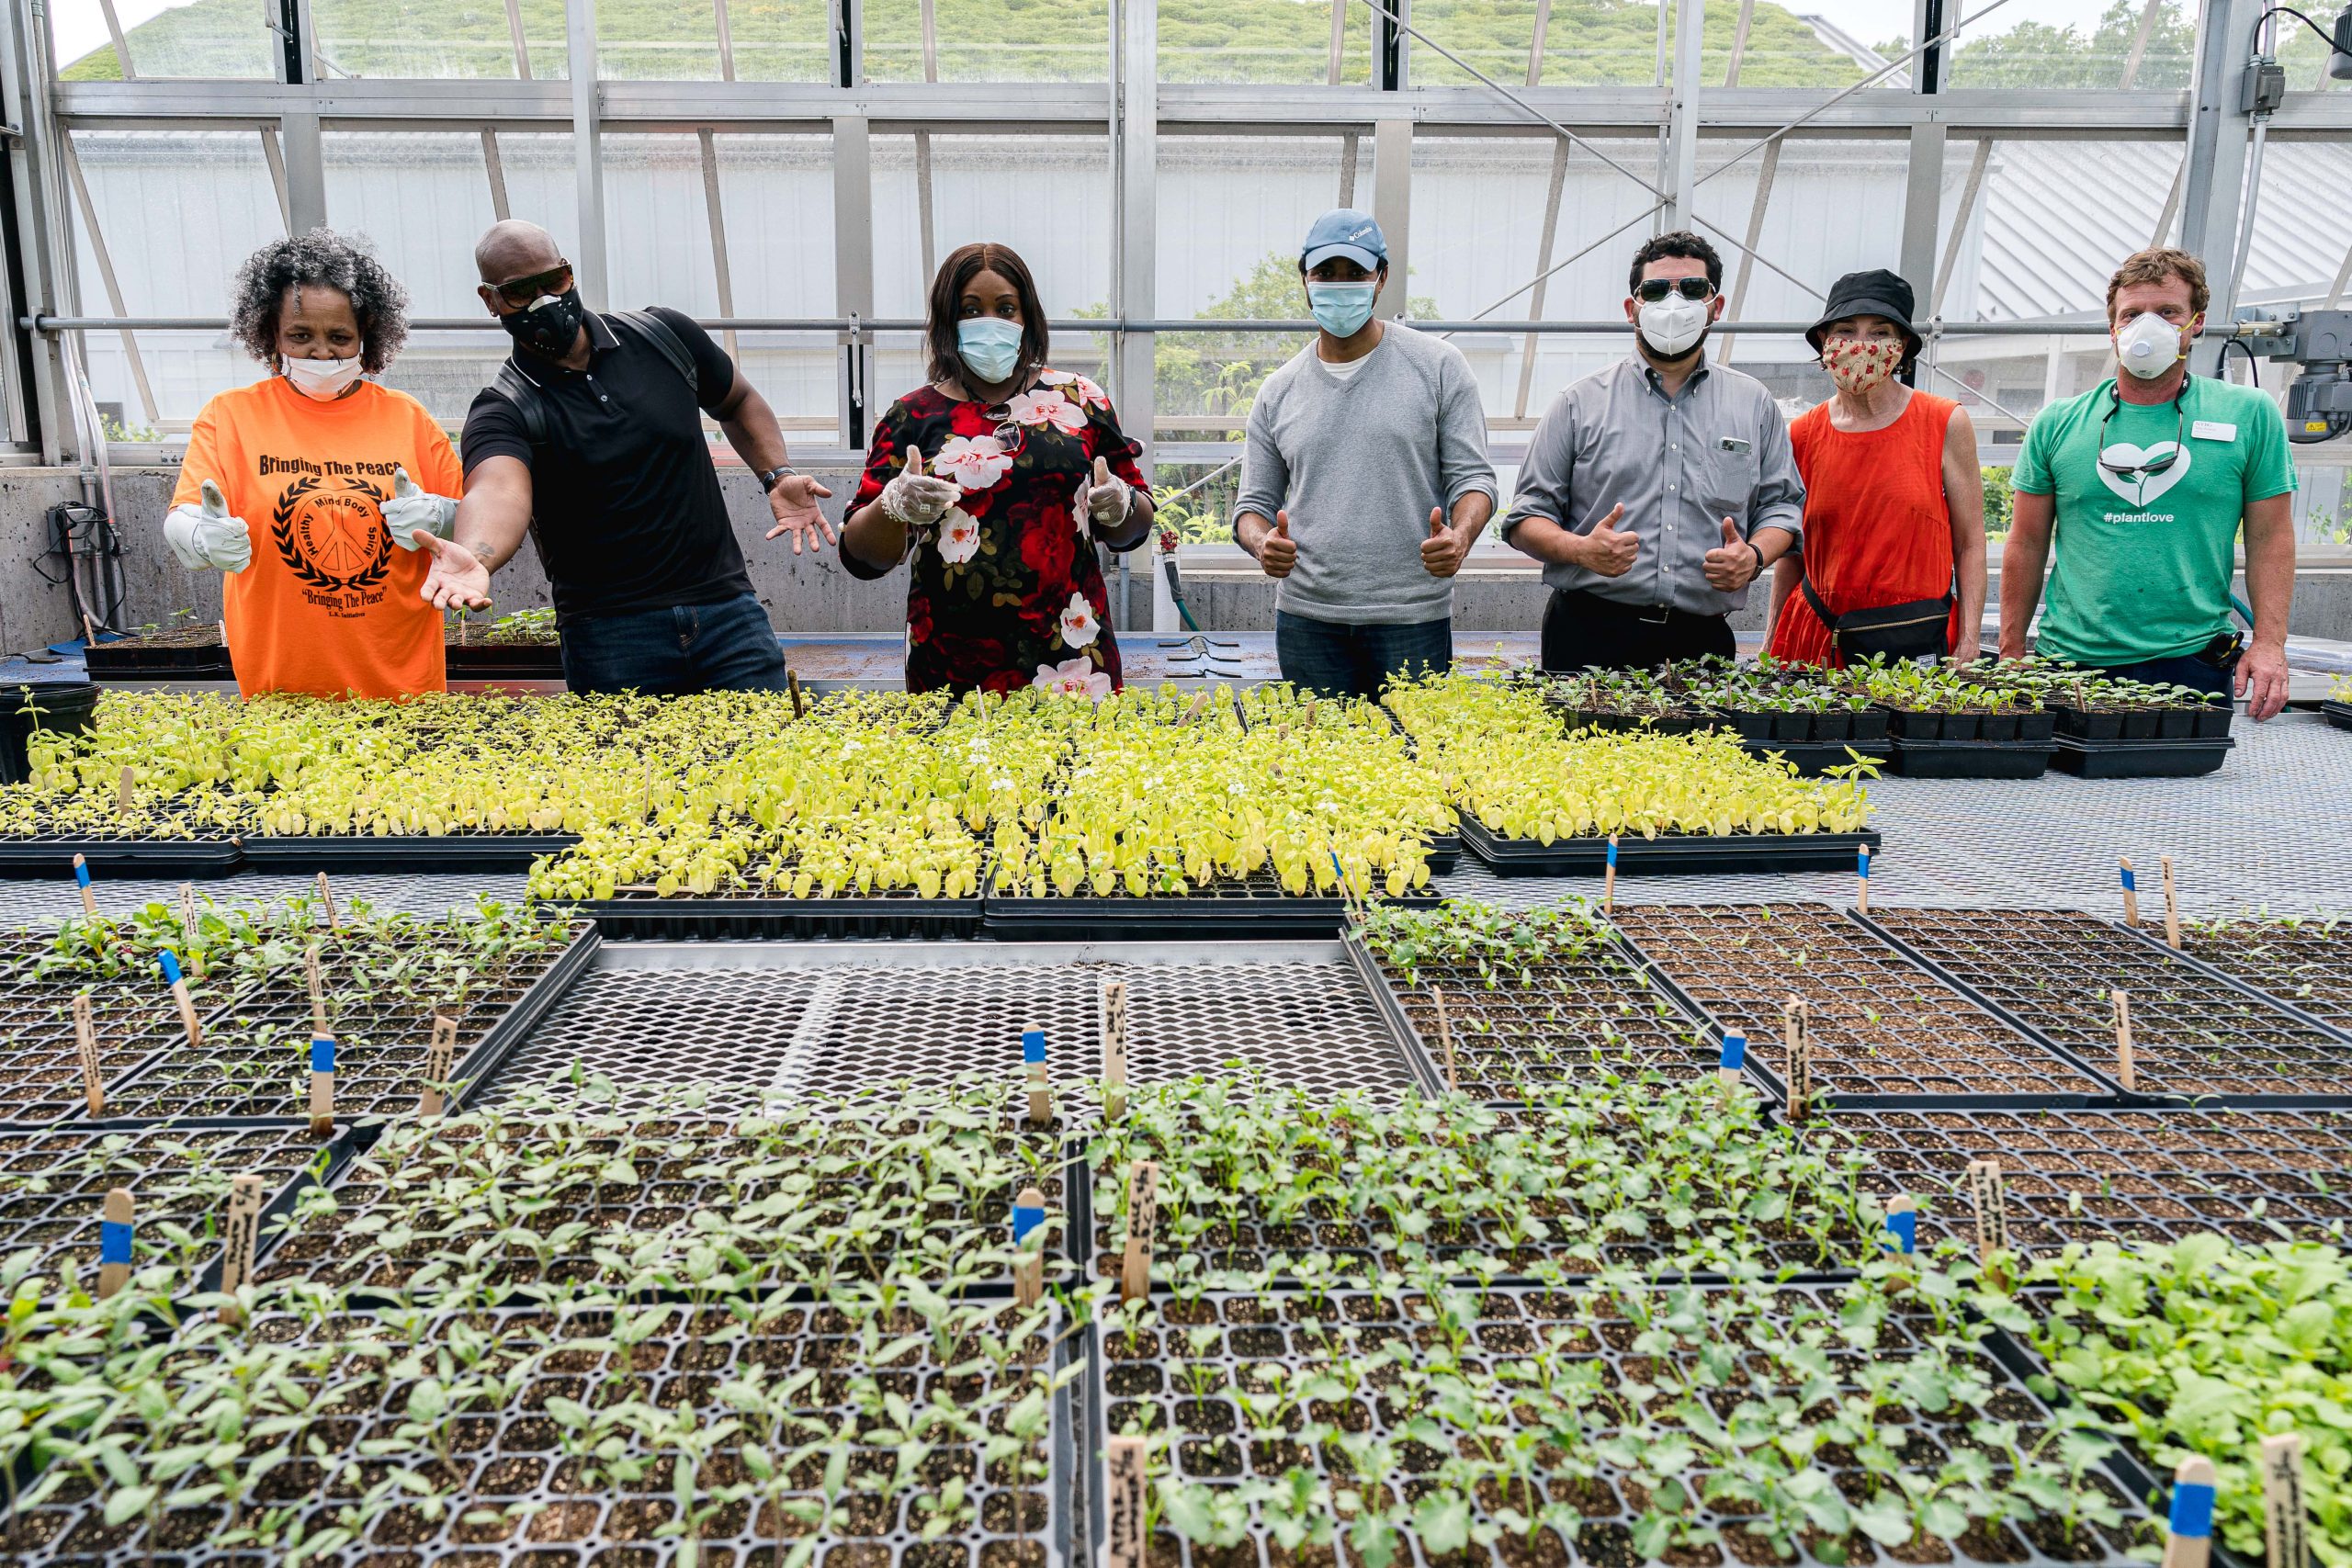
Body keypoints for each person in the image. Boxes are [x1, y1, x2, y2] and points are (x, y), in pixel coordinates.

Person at [419, 220, 831, 695]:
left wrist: (776, 474)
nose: (545, 301)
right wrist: (476, 557)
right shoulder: (505, 407)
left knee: (766, 763)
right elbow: (499, 489)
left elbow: (736, 400)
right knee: (634, 772)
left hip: (727, 615)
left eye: (554, 281)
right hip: (610, 637)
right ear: (490, 300)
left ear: (569, 271)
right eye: (520, 292)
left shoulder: (662, 337)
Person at [839, 243, 1153, 695]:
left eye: (1006, 308)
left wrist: (1121, 505)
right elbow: (861, 558)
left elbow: (1134, 533)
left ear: (1028, 318)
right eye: (971, 309)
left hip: (1073, 660)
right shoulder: (912, 417)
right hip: (951, 667)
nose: (992, 322)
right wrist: (893, 506)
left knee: (1075, 767)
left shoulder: (1081, 401)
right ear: (948, 319)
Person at [164, 229, 461, 701]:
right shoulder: (231, 416)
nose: (321, 352)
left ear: (368, 335)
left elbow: (470, 518)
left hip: (404, 688)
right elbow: (183, 515)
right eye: (300, 336)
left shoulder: (407, 417)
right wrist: (199, 535)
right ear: (270, 334)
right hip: (280, 688)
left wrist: (441, 515)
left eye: (340, 337)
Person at [1999, 247, 2294, 719]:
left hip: (2192, 660)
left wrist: (2270, 643)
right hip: (2070, 662)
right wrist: (2011, 651)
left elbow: (2271, 537)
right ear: (2112, 327)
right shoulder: (2058, 423)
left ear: (2196, 322)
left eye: (2167, 312)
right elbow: (2026, 541)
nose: (2147, 326)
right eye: (2132, 314)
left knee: (2183, 789)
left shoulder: (2249, 414)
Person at [1501, 231, 1804, 671]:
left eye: (1693, 289)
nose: (1674, 303)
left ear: (1715, 307)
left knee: (1703, 743)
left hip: (1701, 638)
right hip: (1589, 632)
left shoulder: (1752, 403)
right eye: (1657, 290)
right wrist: (1580, 549)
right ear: (1633, 309)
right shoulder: (1579, 402)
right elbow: (1526, 516)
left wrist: (1754, 556)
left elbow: (1782, 506)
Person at [1230, 209, 1498, 699]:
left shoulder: (1438, 368)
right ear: (1304, 279)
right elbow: (1252, 507)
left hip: (1411, 618)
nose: (1340, 285)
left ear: (1381, 278)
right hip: (1308, 620)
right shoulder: (1279, 390)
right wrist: (1262, 543)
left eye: (1355, 273)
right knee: (1318, 763)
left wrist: (1459, 537)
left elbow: (1475, 480)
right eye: (1326, 274)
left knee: (1414, 763)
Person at [1766, 269, 1985, 667]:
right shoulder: (1802, 433)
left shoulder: (1943, 423)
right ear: (1824, 342)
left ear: (1902, 346)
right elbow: (1792, 554)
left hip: (1915, 634)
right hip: (1818, 634)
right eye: (1847, 330)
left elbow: (1969, 542)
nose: (1861, 345)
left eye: (1880, 333)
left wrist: (1970, 640)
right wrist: (1770, 640)